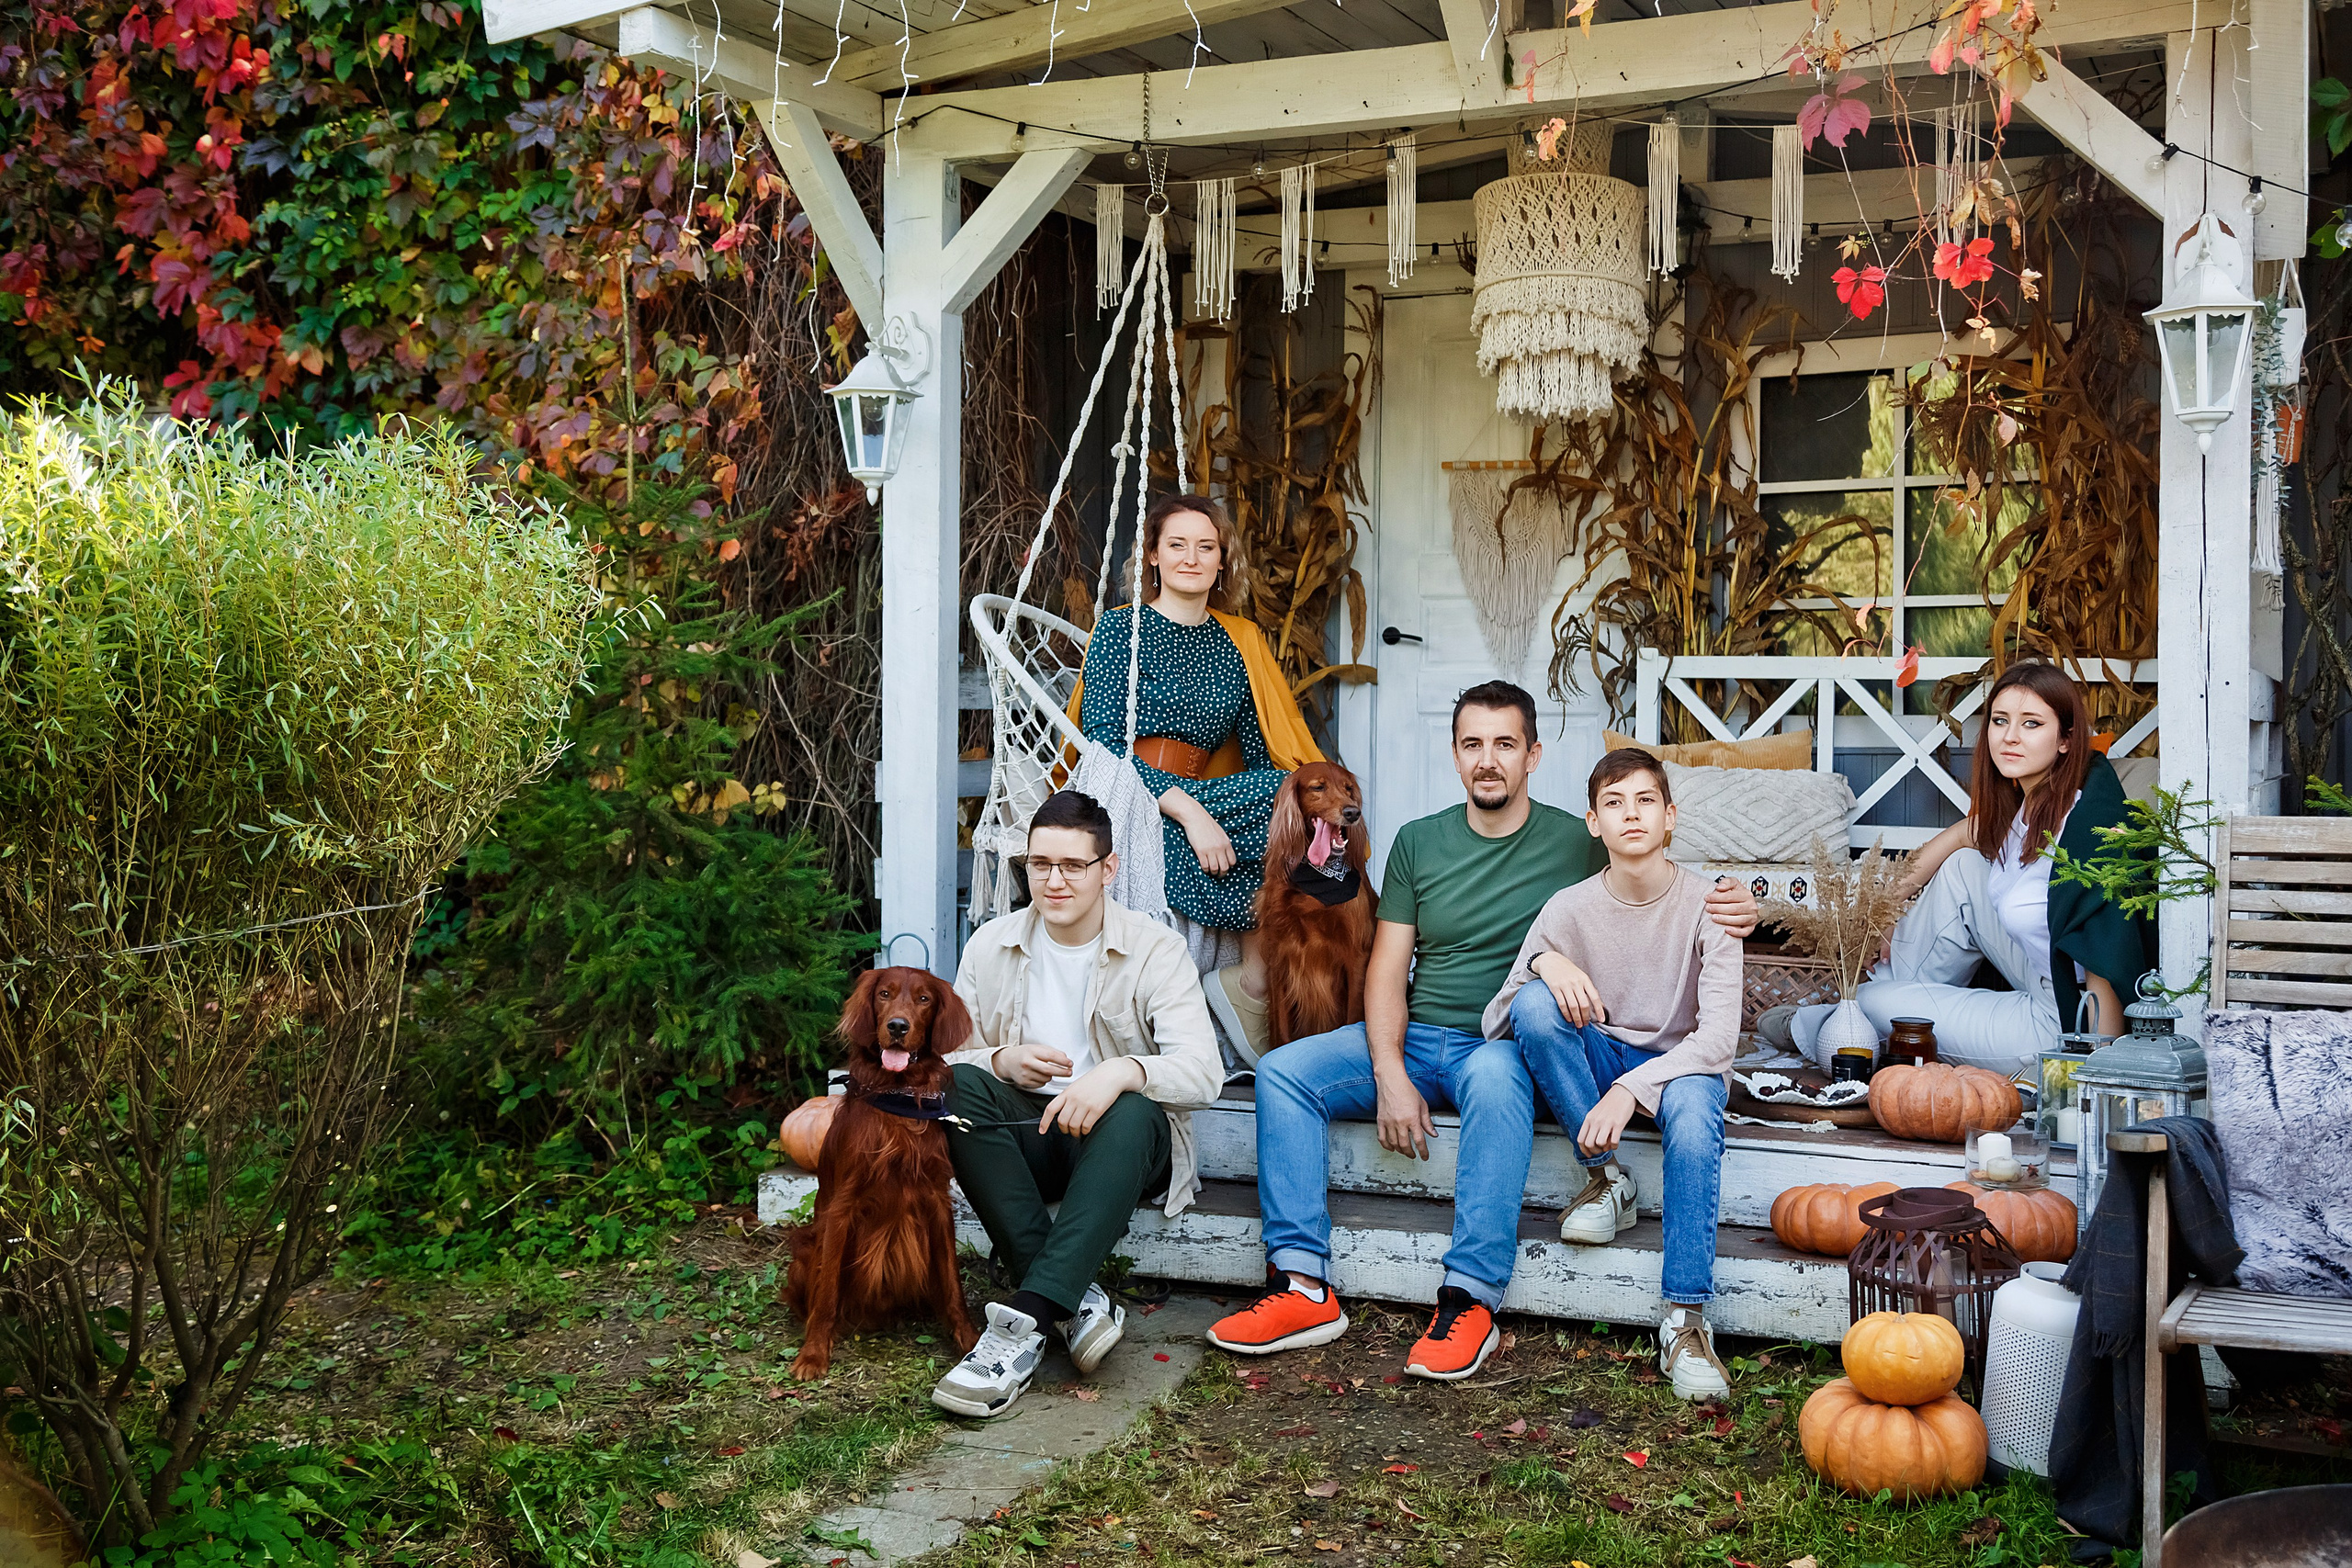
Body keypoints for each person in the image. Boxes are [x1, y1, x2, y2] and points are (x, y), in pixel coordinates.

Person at [1204, 682, 1758, 1381]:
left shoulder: (1576, 839)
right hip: (1416, 1035)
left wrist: (1739, 903)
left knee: (1501, 1075)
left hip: (1498, 1044)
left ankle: (1469, 1299)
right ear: (1456, 755)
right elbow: (1386, 970)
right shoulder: (1419, 841)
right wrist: (1388, 1071)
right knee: (1282, 1072)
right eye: (1473, 744)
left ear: (1533, 755)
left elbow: (1649, 865)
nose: (1488, 760)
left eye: (1504, 744)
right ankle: (1302, 1286)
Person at [931, 790, 1224, 1418]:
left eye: (1072, 865)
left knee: (1134, 1108)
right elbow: (948, 1059)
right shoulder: (990, 943)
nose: (1054, 880)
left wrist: (1121, 1071)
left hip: (1118, 1147)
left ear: (1107, 869)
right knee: (958, 1087)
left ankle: (1022, 1326)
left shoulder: (1155, 948)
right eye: (1040, 864)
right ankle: (1076, 1301)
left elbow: (1204, 1074)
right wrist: (1000, 1060)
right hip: (1027, 1137)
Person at [1483, 749, 1741, 1401]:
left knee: (1694, 1112)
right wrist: (1544, 964)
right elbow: (1499, 1019)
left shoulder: (1712, 904)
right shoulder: (1567, 908)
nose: (1632, 814)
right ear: (1593, 823)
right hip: (1602, 1055)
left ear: (1670, 815)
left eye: (1646, 800)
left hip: (1683, 1069)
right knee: (1537, 1005)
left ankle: (1685, 1319)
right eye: (1615, 803)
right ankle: (1607, 1178)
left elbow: (1717, 1040)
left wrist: (1631, 1088)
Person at [1757, 661, 2152, 1075]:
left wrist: (2096, 1070)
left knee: (1871, 1003)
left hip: (2066, 1021)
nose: (2010, 737)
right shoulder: (2031, 807)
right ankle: (1875, 1005)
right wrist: (1884, 911)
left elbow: (2104, 961)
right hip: (2042, 969)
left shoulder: (2089, 831)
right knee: (1963, 866)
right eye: (2000, 721)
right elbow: (1963, 836)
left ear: (2066, 740)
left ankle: (1832, 1023)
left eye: (2032, 724)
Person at [1076, 493, 1322, 1059]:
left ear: (1222, 561)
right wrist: (1191, 813)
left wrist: (1277, 811)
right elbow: (1105, 745)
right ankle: (1237, 999)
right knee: (1255, 809)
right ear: (1153, 556)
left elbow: (1262, 749)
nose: (1191, 558)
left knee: (1292, 794)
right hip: (1127, 790)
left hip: (1204, 789)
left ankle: (1253, 982)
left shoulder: (1238, 640)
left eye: (1206, 547)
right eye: (1177, 545)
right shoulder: (1120, 629)